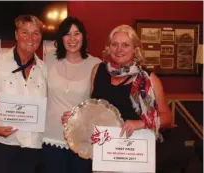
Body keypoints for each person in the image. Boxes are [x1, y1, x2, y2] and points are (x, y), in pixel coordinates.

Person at [91, 24, 195, 173]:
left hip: (135, 151)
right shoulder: (98, 71)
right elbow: (93, 107)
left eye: (125, 45)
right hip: (105, 150)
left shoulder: (148, 79)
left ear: (135, 49)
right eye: (114, 44)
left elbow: (167, 117)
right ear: (109, 48)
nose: (119, 49)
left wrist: (141, 123)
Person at [0, 14, 47, 173]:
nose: (30, 37)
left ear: (40, 37)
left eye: (36, 33)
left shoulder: (45, 70)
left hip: (33, 147)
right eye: (24, 32)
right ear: (16, 35)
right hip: (2, 146)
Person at [39, 16, 101, 173]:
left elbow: (98, 105)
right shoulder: (49, 61)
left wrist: (80, 116)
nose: (72, 39)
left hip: (82, 139)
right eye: (67, 34)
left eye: (77, 33)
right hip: (50, 138)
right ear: (61, 38)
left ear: (84, 37)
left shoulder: (96, 65)